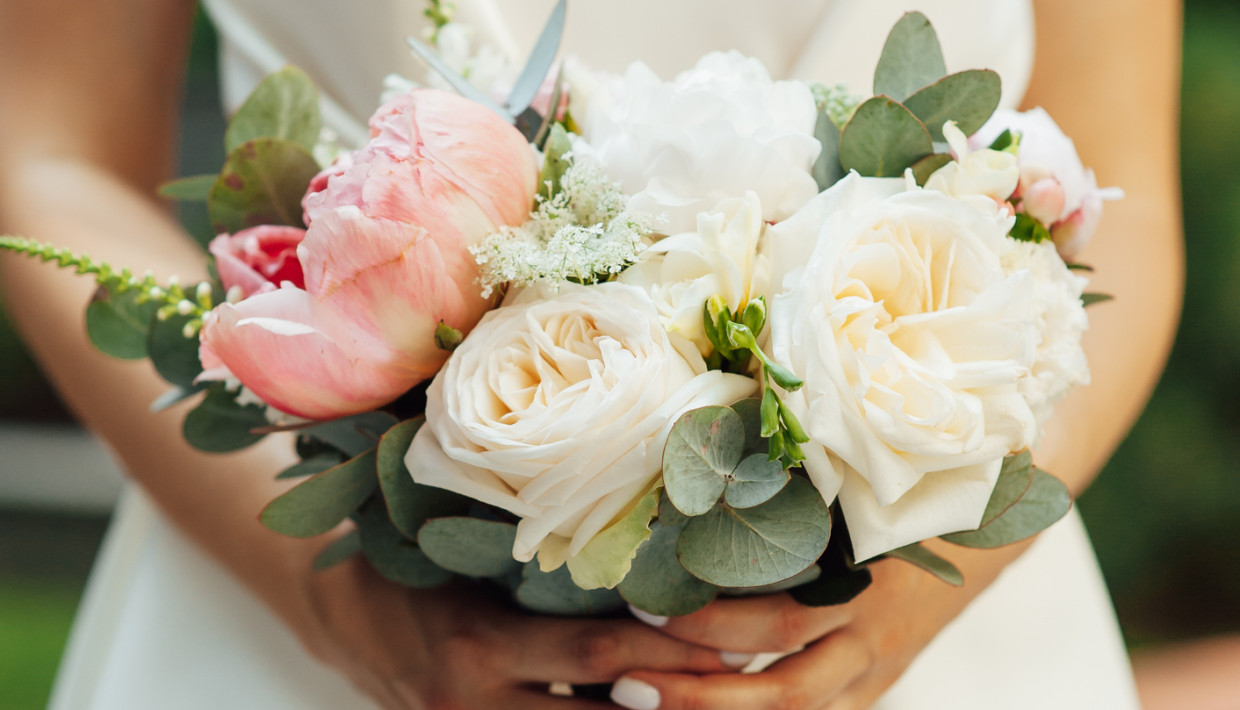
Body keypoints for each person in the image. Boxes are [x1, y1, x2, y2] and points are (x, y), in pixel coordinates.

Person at [0, 0, 1182, 708]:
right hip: (298, 608)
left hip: (928, 632)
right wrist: (344, 606)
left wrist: (929, 591)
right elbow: (52, 154)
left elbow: (1119, 185)